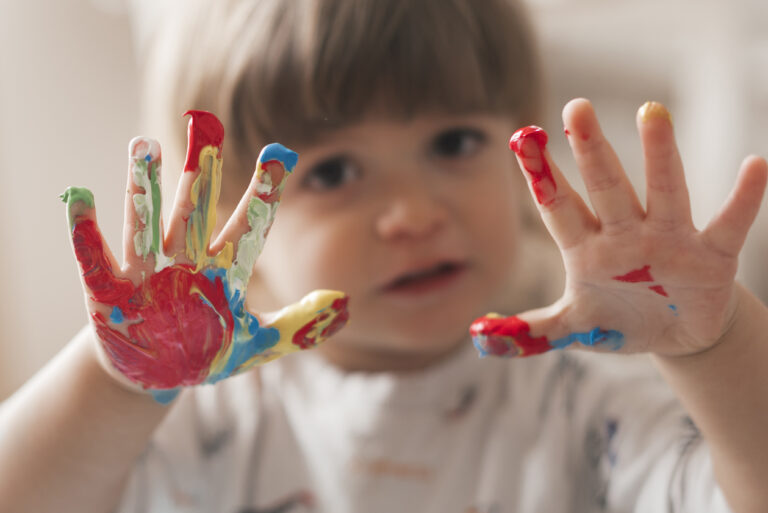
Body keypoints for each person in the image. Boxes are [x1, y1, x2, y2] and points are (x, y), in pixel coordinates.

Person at [2, 0, 768, 512]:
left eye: (453, 142)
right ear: (235, 218)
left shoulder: (579, 407)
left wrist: (720, 344)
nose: (412, 213)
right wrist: (117, 383)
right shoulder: (208, 420)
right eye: (333, 171)